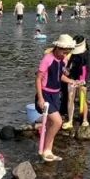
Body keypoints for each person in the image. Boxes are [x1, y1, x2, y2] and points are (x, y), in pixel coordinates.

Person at [35, 34, 75, 162]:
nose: (65, 54)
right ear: (57, 47)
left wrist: (71, 80)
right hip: (45, 94)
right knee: (58, 122)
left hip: (56, 94)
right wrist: (40, 99)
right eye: (64, 52)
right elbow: (38, 79)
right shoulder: (47, 58)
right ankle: (46, 149)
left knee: (52, 123)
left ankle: (48, 151)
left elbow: (60, 76)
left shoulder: (64, 60)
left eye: (67, 52)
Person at [60, 35, 89, 130]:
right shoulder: (73, 54)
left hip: (82, 80)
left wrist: (83, 81)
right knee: (70, 98)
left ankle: (85, 120)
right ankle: (70, 120)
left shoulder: (86, 54)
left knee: (83, 99)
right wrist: (65, 70)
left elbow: (87, 69)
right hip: (72, 78)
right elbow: (69, 67)